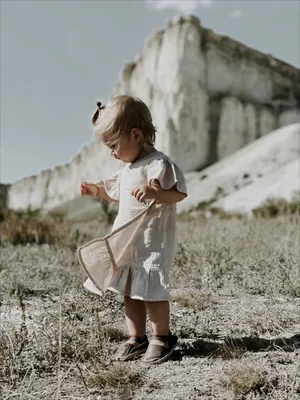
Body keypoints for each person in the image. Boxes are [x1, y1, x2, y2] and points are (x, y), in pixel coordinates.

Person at [80, 95, 187, 364]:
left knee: (151, 290)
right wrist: (95, 190)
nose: (112, 152)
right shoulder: (127, 170)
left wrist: (156, 191)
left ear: (136, 135)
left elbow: (178, 194)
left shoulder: (157, 164)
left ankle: (162, 337)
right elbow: (115, 193)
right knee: (129, 291)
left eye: (114, 145)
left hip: (152, 243)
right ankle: (136, 338)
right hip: (127, 242)